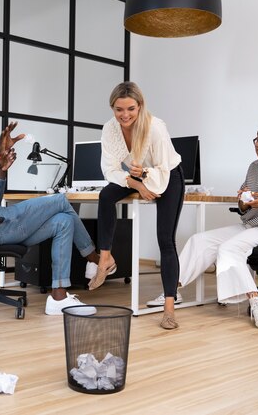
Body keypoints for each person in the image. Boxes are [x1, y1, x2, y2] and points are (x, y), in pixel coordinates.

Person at [150, 121, 258, 328]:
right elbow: (243, 205)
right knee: (199, 240)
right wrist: (243, 201)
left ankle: (257, 303)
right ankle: (172, 292)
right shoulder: (254, 167)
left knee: (229, 248)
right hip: (251, 226)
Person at [0, 115, 101, 316]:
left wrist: (0, 173)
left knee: (63, 221)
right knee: (61, 200)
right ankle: (95, 259)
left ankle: (59, 297)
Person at [88, 81, 185, 330]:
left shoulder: (155, 127)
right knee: (106, 196)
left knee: (165, 239)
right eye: (119, 109)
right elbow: (109, 169)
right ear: (112, 108)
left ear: (140, 106)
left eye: (130, 108)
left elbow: (162, 170)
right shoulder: (110, 129)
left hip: (167, 175)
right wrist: (136, 183)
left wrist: (145, 180)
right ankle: (106, 260)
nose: (125, 115)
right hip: (137, 174)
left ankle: (169, 309)